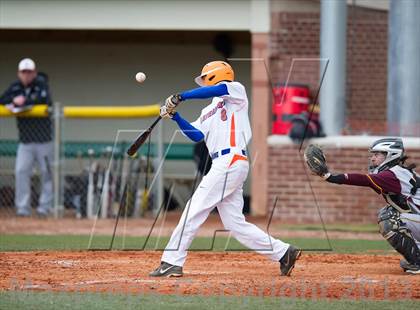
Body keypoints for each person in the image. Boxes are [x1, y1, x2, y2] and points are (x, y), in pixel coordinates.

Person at [149, 61, 301, 277]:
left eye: (205, 79)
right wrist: (175, 116)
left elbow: (217, 89)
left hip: (231, 160)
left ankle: (172, 261)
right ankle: (284, 252)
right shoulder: (209, 109)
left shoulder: (235, 90)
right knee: (235, 224)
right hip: (225, 164)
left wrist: (181, 96)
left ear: (215, 75)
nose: (203, 84)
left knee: (195, 209)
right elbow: (196, 135)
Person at [305, 138, 420, 274]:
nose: (372, 159)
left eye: (377, 155)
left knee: (389, 218)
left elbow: (364, 180)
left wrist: (329, 176)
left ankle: (416, 263)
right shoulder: (398, 171)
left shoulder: (392, 174)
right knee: (389, 211)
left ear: (390, 155)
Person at [0, 58, 53, 217]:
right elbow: (2, 99)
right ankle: (23, 209)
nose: (27, 75)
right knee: (21, 171)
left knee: (47, 173)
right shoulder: (15, 86)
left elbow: (45, 99)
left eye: (29, 72)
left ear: (34, 73)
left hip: (45, 140)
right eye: (24, 72)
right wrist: (14, 101)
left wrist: (25, 101)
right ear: (19, 73)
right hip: (25, 141)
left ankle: (44, 208)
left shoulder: (41, 83)